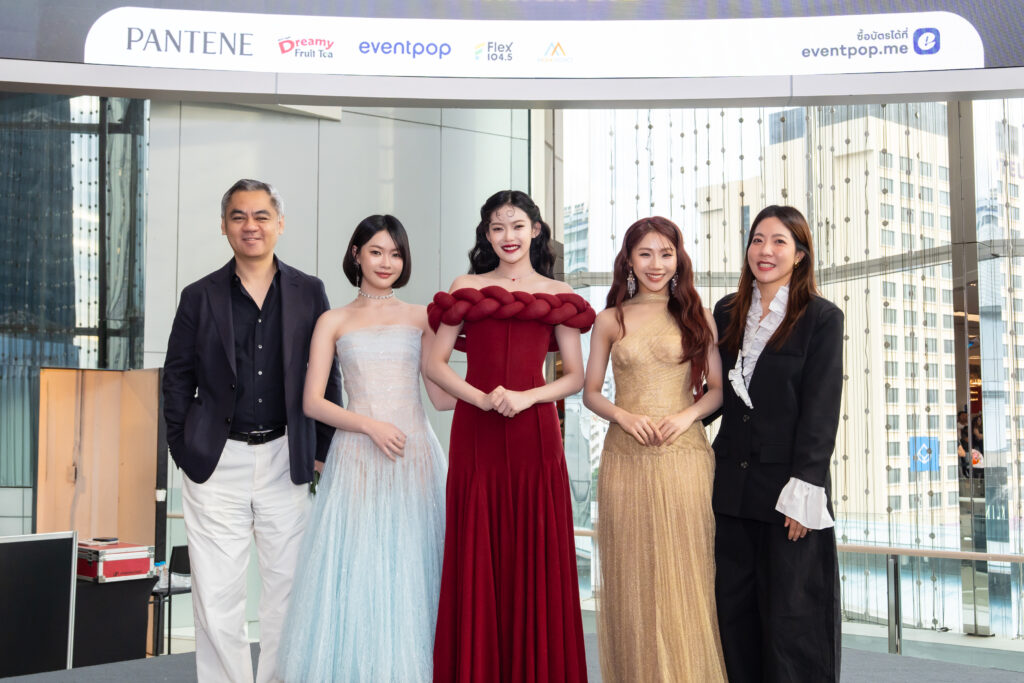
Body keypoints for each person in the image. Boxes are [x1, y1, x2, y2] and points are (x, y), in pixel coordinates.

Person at [162, 179, 341, 683]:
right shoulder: (198, 296)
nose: (250, 226)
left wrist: (321, 452)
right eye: (238, 216)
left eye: (261, 216)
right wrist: (183, 449)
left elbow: (328, 374)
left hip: (287, 456)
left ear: (280, 223)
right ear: (224, 226)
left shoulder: (310, 292)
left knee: (289, 591)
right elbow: (176, 378)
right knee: (216, 595)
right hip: (216, 462)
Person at [276, 215, 454, 682]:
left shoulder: (422, 316)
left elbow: (439, 396)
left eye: (395, 254)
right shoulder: (333, 320)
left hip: (415, 456)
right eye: (376, 251)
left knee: (414, 569)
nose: (386, 262)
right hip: (357, 456)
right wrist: (369, 426)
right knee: (359, 571)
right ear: (356, 254)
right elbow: (313, 402)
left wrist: (499, 382)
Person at [426, 190, 593, 682]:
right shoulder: (466, 286)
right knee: (476, 547)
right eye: (497, 227)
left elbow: (575, 377)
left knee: (533, 553)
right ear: (487, 234)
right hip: (475, 430)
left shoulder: (558, 292)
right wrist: (479, 399)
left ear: (535, 230)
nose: (508, 236)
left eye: (517, 226)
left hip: (534, 432)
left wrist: (526, 397)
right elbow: (435, 364)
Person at [582, 216, 727, 682]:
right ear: (628, 260)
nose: (656, 264)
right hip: (624, 458)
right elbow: (591, 393)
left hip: (685, 457)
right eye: (645, 253)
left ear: (678, 259)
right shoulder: (610, 319)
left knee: (686, 574)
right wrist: (624, 417)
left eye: (666, 254)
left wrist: (685, 417)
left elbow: (717, 391)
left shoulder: (697, 316)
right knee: (633, 576)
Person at [710, 205, 843, 682]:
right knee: (734, 615)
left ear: (800, 254)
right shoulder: (727, 311)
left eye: (779, 241)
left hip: (789, 492)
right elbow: (718, 394)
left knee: (793, 620)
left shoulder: (822, 318)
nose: (765, 251)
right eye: (757, 240)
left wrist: (805, 487)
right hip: (731, 488)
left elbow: (821, 409)